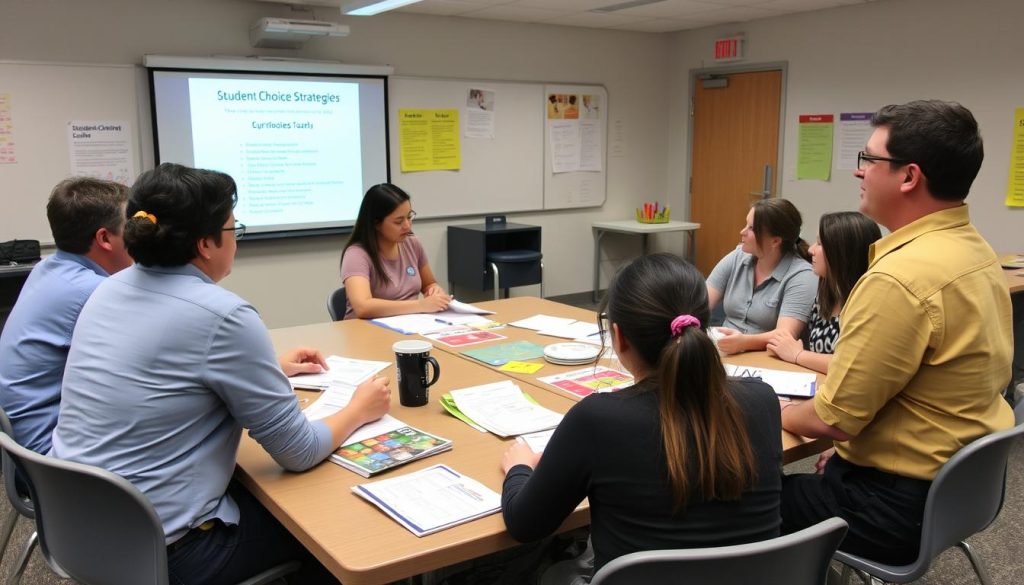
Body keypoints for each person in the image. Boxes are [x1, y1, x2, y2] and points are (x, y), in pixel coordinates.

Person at [50, 163, 391, 584]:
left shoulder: (108, 288)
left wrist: (268, 368)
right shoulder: (223, 315)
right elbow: (298, 452)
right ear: (206, 244)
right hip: (168, 553)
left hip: (82, 528)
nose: (236, 239)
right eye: (234, 229)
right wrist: (360, 408)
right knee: (332, 519)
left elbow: (168, 374)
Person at [780, 100, 1014, 565]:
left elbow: (833, 420)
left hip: (893, 508)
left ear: (908, 176)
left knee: (728, 498)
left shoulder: (899, 277)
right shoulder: (977, 250)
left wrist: (764, 410)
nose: (858, 172)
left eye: (868, 159)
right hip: (957, 491)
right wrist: (851, 454)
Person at [500, 253, 782, 582]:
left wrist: (519, 468)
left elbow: (525, 524)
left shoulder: (598, 420)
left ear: (619, 337)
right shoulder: (762, 401)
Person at [0, 177, 133, 454]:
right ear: (105, 238)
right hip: (51, 456)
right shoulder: (94, 291)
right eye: (131, 227)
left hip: (22, 445)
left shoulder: (48, 267)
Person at [766, 211, 881, 374]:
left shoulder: (870, 302)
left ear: (842, 252)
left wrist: (798, 354)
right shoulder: (825, 291)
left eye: (820, 244)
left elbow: (854, 367)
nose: (811, 250)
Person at [707, 198, 818, 355]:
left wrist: (743, 342)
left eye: (751, 228)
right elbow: (702, 302)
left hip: (766, 356)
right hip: (725, 349)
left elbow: (783, 336)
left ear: (775, 241)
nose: (742, 232)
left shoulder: (802, 276)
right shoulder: (738, 256)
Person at [340, 183, 450, 319]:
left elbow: (429, 283)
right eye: (398, 221)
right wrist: (421, 305)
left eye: (409, 217)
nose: (407, 226)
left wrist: (434, 291)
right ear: (376, 223)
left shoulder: (412, 243)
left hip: (410, 325)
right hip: (367, 332)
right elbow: (363, 307)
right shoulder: (356, 255)